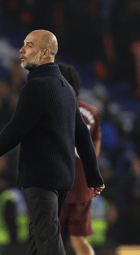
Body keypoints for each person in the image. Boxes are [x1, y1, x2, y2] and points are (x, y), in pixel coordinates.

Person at [0, 30, 105, 255]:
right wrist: (93, 175)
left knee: (48, 239)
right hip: (62, 177)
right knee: (38, 237)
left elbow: (15, 131)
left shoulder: (36, 86)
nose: (22, 50)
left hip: (40, 177)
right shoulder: (65, 88)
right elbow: (82, 136)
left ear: (44, 53)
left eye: (29, 45)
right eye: (23, 44)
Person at [57, 63, 101, 255]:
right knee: (78, 238)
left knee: (50, 237)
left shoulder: (51, 111)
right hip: (83, 186)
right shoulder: (92, 113)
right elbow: (95, 152)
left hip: (59, 185)